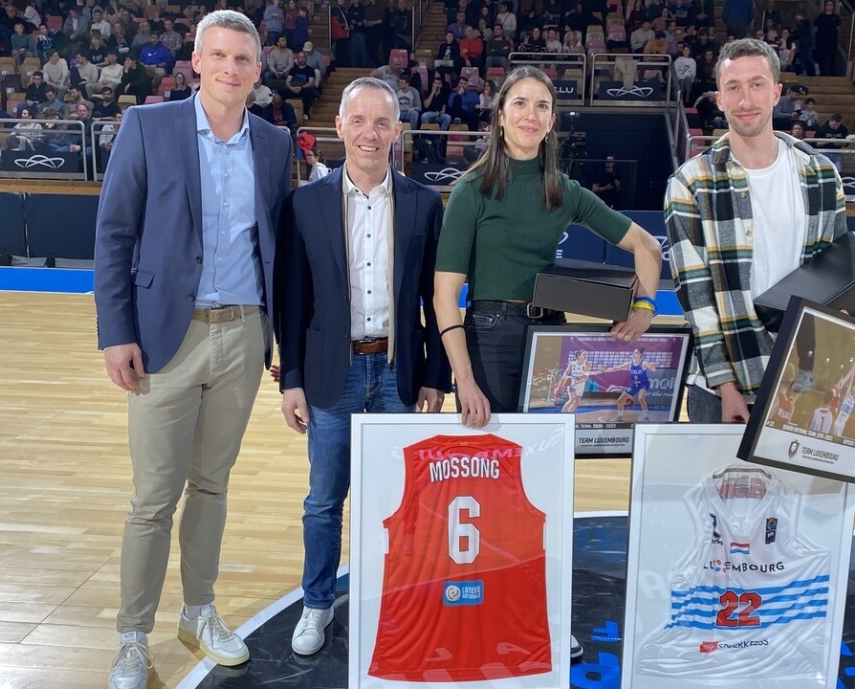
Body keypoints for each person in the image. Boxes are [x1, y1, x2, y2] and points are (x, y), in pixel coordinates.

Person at [432, 66, 662, 658]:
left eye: (541, 105)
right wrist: (464, 379)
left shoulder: (563, 190)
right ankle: (483, 607)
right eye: (520, 103)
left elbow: (647, 246)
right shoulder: (472, 189)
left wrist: (644, 307)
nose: (530, 114)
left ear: (552, 121)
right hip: (489, 339)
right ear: (500, 114)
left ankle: (541, 610)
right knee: (491, 482)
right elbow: (444, 295)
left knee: (542, 485)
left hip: (550, 342)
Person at [93, 11, 293, 689]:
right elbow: (114, 234)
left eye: (243, 58)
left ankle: (198, 610)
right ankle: (131, 636)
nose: (231, 68)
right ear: (197, 61)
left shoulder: (274, 143)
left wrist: (280, 338)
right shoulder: (148, 126)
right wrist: (116, 331)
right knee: (154, 496)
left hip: (244, 332)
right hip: (163, 337)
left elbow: (277, 249)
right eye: (219, 56)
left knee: (212, 484)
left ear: (257, 71)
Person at [276, 76, 451, 657]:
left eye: (381, 122)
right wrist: (291, 379)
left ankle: (393, 597)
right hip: (333, 374)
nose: (369, 133)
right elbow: (293, 300)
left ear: (398, 130)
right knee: (324, 501)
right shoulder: (305, 204)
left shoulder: (424, 203)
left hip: (399, 374)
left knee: (401, 500)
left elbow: (435, 298)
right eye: (358, 121)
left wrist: (435, 377)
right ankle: (318, 601)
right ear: (340, 127)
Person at [665, 38, 849, 424]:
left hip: (804, 379)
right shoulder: (690, 182)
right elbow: (697, 298)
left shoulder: (820, 173)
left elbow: (835, 273)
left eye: (757, 85)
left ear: (776, 93)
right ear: (719, 99)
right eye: (733, 87)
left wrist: (852, 316)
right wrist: (725, 386)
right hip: (722, 389)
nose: (745, 100)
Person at [603, 347, 660, 421]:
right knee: (620, 401)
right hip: (634, 385)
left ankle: (646, 417)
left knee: (641, 398)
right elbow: (617, 368)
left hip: (643, 384)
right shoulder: (629, 364)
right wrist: (607, 370)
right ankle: (620, 417)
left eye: (636, 353)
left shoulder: (643, 363)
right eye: (634, 352)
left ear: (640, 354)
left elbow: (654, 370)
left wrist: (652, 367)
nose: (634, 354)